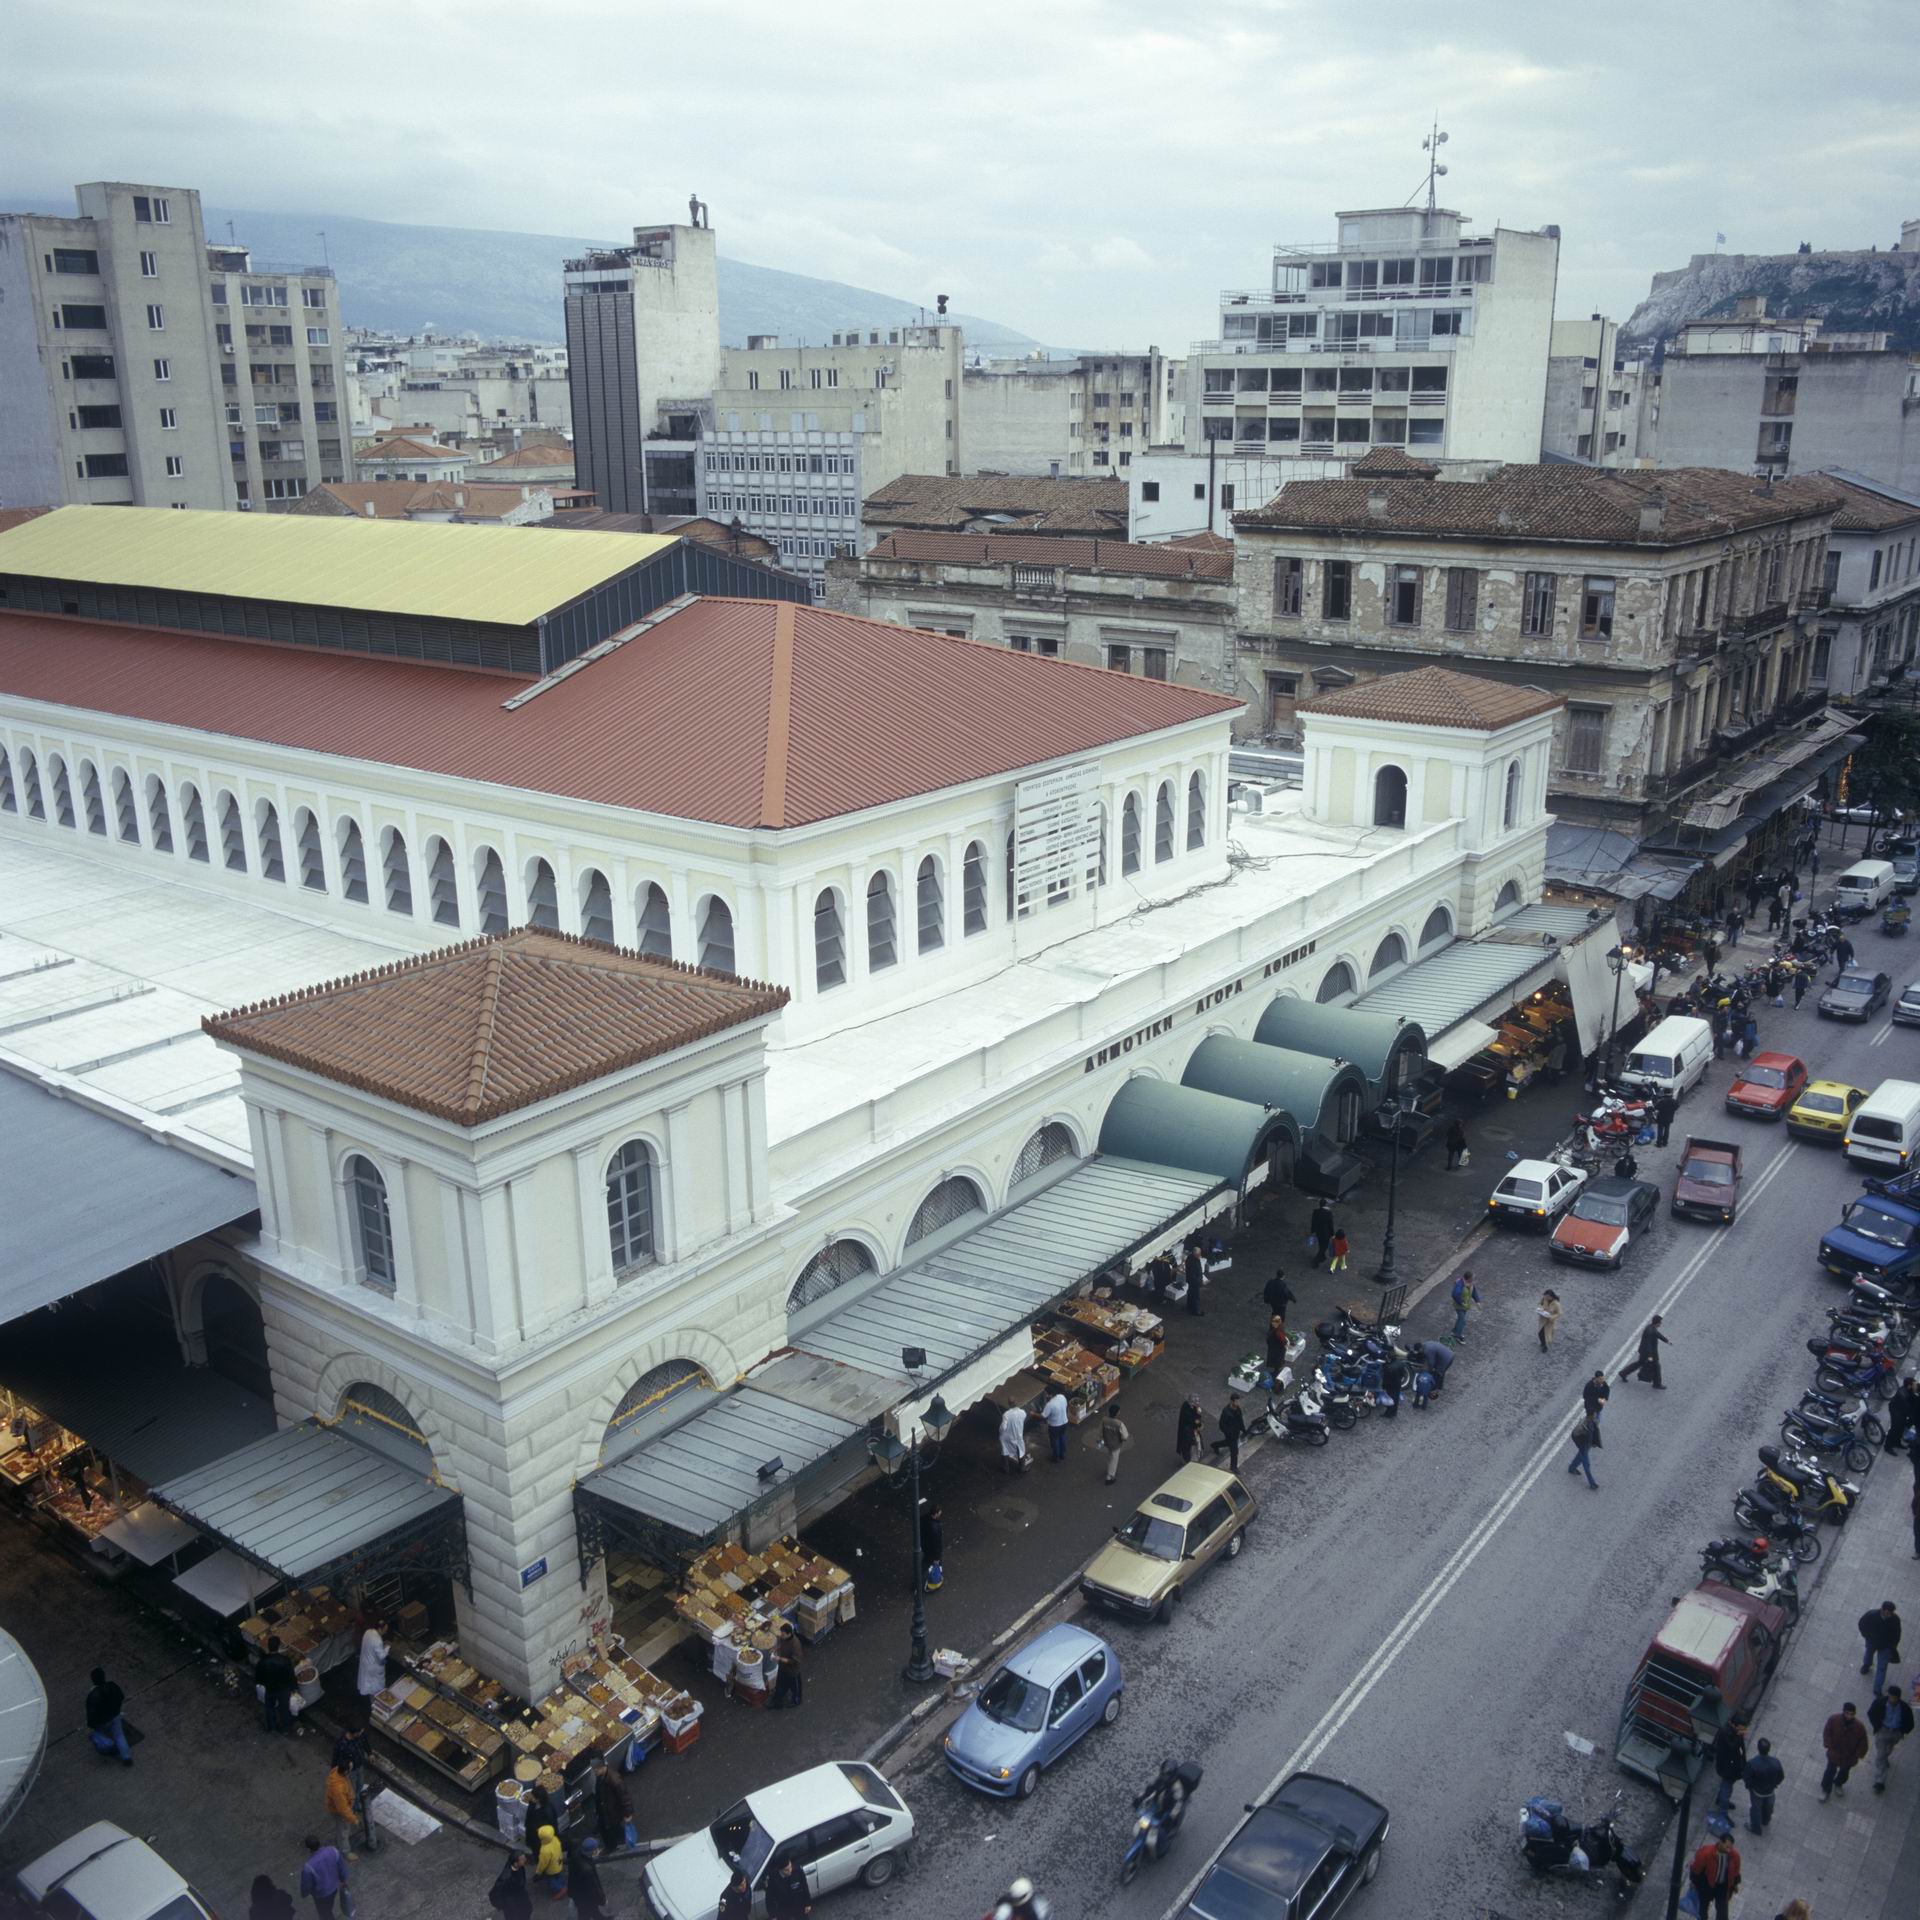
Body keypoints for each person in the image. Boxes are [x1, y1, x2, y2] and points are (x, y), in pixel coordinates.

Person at [84, 1666, 133, 1767]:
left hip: (102, 1721)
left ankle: (108, 1744)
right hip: (115, 1715)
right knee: (119, 1735)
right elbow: (121, 1696)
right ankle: (126, 1757)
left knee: (97, 1734)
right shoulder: (112, 1686)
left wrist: (92, 1724)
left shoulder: (93, 1695)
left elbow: (91, 1712)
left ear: (93, 1680)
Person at [1820, 1701, 1870, 1798]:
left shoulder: (1859, 1727)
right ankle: (1826, 1789)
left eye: (1852, 1714)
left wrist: (1857, 1755)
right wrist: (1829, 1745)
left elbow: (1863, 1743)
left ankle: (1838, 1784)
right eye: (1847, 1713)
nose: (1849, 1716)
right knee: (1829, 1772)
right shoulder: (1834, 1719)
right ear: (1843, 1712)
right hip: (1834, 1753)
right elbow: (1827, 1732)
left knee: (1844, 1773)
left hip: (1849, 1756)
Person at [1687, 1830, 1741, 1920]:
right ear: (1720, 1842)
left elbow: (1736, 1872)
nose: (1729, 1850)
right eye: (1727, 1847)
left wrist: (1734, 1884)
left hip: (1723, 1887)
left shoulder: (1734, 1856)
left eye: (1731, 1847)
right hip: (1707, 1885)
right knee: (1702, 1909)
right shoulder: (1706, 1853)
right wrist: (1695, 1882)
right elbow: (1696, 1869)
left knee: (1723, 1913)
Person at [1870, 1684, 1914, 1790]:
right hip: (1883, 1731)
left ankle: (1885, 1758)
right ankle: (1880, 1781)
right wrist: (1877, 1727)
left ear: (1898, 1698)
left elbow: (1910, 1723)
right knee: (1880, 1755)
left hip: (1895, 1733)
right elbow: (1871, 1713)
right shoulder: (1880, 1703)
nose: (1891, 1700)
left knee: (1888, 1750)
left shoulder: (1904, 1708)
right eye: (1890, 1697)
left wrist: (1901, 1732)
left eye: (1894, 1698)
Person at [256, 1634, 298, 1735]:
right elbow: (291, 1675)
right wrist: (294, 1688)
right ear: (279, 1647)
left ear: (268, 1647)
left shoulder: (263, 1662)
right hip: (284, 1689)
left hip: (270, 1689)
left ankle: (272, 1727)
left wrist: (263, 1683)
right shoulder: (285, 1661)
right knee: (284, 1709)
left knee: (269, 1708)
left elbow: (258, 1677)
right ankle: (285, 1729)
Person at [1858, 1601, 1902, 1696]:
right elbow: (1862, 1625)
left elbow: (1897, 1634)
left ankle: (1877, 1689)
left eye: (1890, 1613)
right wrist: (1867, 1636)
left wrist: (1892, 1646)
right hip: (1872, 1642)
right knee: (1868, 1655)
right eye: (1886, 1612)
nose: (1888, 1615)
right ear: (1882, 1609)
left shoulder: (1895, 1620)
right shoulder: (1872, 1615)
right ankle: (1867, 1665)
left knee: (1882, 1668)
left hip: (1885, 1647)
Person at [299, 1837, 349, 1920]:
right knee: (328, 1907)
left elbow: (306, 1884)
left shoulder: (308, 1866)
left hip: (321, 1894)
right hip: (334, 1887)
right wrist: (344, 1880)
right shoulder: (333, 1851)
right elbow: (342, 1867)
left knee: (325, 1912)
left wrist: (304, 1894)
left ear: (308, 1849)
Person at [1743, 1737, 1784, 1834]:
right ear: (1769, 1749)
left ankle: (1756, 1828)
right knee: (1768, 1806)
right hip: (1770, 1791)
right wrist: (1774, 1784)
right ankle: (1765, 1820)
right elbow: (1781, 1776)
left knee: (1756, 1809)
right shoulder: (1776, 1762)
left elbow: (1747, 1777)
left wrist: (1749, 1787)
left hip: (1757, 1791)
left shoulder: (1752, 1763)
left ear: (1758, 1748)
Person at [1619, 1314, 1670, 1388]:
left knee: (1639, 1363)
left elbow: (1657, 1334)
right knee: (1656, 1366)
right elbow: (1648, 1344)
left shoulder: (1650, 1327)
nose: (1661, 1324)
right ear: (1657, 1323)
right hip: (1649, 1353)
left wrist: (1666, 1341)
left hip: (1644, 1351)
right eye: (1660, 1322)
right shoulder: (1650, 1331)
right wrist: (1650, 1356)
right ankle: (1657, 1384)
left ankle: (1623, 1373)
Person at [1711, 1716, 1749, 1814]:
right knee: (1726, 1788)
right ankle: (1722, 1811)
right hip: (1728, 1768)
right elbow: (1732, 1747)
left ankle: (1720, 1800)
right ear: (1734, 1725)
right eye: (1741, 1729)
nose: (1744, 1731)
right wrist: (1739, 1736)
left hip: (1734, 1765)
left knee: (1727, 1785)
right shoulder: (1726, 1734)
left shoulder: (1734, 1732)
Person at [593, 1755, 632, 1852]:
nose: (594, 1772)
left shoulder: (614, 1780)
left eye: (596, 1769)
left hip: (612, 1811)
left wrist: (628, 1814)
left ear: (602, 1767)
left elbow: (625, 1797)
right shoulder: (601, 1777)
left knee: (611, 1828)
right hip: (606, 1808)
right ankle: (619, 1839)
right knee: (610, 1827)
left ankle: (612, 1846)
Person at [355, 1617, 388, 1725]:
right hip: (374, 1668)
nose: (387, 1629)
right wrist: (388, 1648)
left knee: (370, 1688)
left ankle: (374, 1706)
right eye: (386, 1627)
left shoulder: (368, 1632)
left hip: (366, 1664)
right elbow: (382, 1656)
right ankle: (378, 1713)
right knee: (377, 1690)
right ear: (382, 1628)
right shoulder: (377, 1641)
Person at [324, 1758, 358, 1861]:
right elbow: (343, 1809)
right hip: (340, 1811)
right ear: (346, 1771)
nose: (352, 1764)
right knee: (343, 1830)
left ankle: (341, 1843)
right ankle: (345, 1851)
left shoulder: (337, 1772)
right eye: (350, 1765)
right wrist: (353, 1819)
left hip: (342, 1805)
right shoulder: (338, 1789)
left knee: (342, 1829)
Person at [566, 1846, 608, 1920]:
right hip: (585, 1896)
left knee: (592, 1909)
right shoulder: (587, 1869)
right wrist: (603, 1900)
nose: (598, 1851)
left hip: (577, 1892)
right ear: (592, 1852)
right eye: (596, 1850)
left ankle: (599, 1917)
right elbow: (595, 1887)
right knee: (585, 1914)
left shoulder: (577, 1857)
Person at [765, 1854, 812, 1920]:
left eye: (790, 1867)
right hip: (784, 1910)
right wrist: (773, 1916)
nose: (790, 1870)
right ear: (780, 1870)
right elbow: (769, 1899)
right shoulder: (773, 1879)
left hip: (799, 1905)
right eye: (786, 1870)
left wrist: (808, 1903)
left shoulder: (798, 1871)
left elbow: (805, 1887)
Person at [769, 1622, 803, 1711]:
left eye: (783, 1634)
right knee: (780, 1684)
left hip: (792, 1671)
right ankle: (778, 1702)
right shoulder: (783, 1637)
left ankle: (796, 1700)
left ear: (789, 1634)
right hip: (783, 1668)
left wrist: (779, 1659)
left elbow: (794, 1661)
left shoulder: (796, 1645)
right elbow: (780, 1644)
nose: (781, 1635)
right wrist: (775, 1649)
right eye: (781, 1633)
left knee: (795, 1688)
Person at [489, 1855, 532, 1920]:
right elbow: (494, 1893)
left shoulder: (521, 1867)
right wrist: (502, 1905)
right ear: (515, 1863)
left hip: (521, 1899)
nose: (525, 1860)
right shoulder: (506, 1877)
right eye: (522, 1859)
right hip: (512, 1904)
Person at [1884, 1374, 1918, 1454]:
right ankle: (1887, 1446)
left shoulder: (1908, 1390)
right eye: (1914, 1385)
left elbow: (1913, 1398)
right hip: (1896, 1411)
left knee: (1901, 1427)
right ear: (1909, 1386)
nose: (1916, 1386)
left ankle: (1896, 1442)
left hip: (1901, 1410)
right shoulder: (1903, 1395)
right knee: (1895, 1428)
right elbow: (1908, 1408)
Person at [532, 1822, 567, 1899]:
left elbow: (543, 1863)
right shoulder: (555, 1839)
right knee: (559, 1875)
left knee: (552, 1880)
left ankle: (560, 1889)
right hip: (559, 1862)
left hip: (552, 1868)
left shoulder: (545, 1850)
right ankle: (562, 1884)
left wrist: (538, 1872)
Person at [1211, 1394, 1246, 1472]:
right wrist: (1229, 1433)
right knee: (1234, 1450)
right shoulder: (1226, 1412)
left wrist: (1243, 1429)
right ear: (1231, 1401)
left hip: (1236, 1432)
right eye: (1236, 1401)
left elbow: (1240, 1420)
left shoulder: (1238, 1409)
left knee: (1227, 1443)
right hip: (1231, 1434)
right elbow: (1222, 1425)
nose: (1238, 1403)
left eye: (1238, 1401)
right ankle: (1233, 1467)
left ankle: (1214, 1445)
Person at [1567, 1411, 1600, 1489]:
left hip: (1586, 1445)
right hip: (1584, 1446)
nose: (1596, 1417)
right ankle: (1592, 1484)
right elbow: (1575, 1435)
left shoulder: (1592, 1423)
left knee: (1579, 1457)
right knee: (1586, 1465)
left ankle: (1572, 1468)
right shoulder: (1582, 1428)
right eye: (1595, 1416)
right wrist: (1582, 1447)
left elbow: (1594, 1432)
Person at [1100, 1402, 1131, 1484]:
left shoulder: (1104, 1420)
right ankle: (1110, 1477)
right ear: (1117, 1413)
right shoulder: (1119, 1424)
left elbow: (1100, 1431)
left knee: (1110, 1457)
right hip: (1116, 1444)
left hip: (1107, 1442)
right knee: (1114, 1459)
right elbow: (1125, 1436)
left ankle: (1108, 1469)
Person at [1449, 1270, 1481, 1344]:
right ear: (1468, 1278)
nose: (1473, 1279)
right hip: (1459, 1306)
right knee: (1462, 1321)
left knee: (1460, 1319)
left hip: (1465, 1306)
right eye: (1472, 1278)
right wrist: (1461, 1302)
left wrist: (1477, 1301)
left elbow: (1473, 1291)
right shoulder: (1459, 1284)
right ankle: (1458, 1336)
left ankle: (1454, 1331)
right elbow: (1454, 1294)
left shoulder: (1470, 1283)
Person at [998, 1402, 1029, 1475]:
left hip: (1007, 1437)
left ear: (1009, 1404)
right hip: (1018, 1435)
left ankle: (1006, 1469)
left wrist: (1000, 1431)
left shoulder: (1006, 1414)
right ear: (1016, 1403)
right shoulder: (1023, 1412)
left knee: (1005, 1451)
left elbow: (1003, 1427)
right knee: (1021, 1451)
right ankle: (1022, 1468)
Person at [1041, 1388, 1070, 1463]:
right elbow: (1066, 1406)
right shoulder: (1062, 1397)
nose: (1046, 1396)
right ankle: (1062, 1454)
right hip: (1064, 1422)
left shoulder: (1050, 1404)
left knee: (1055, 1441)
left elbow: (1043, 1416)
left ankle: (1055, 1457)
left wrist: (1033, 1414)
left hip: (1054, 1426)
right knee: (1062, 1437)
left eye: (1046, 1394)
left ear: (1050, 1395)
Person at [1379, 1349, 1408, 1420]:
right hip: (1398, 1383)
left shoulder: (1388, 1367)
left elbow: (1385, 1378)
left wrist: (1383, 1386)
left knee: (1390, 1399)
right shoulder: (1401, 1363)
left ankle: (1388, 1413)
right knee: (1396, 1398)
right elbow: (1403, 1373)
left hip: (1390, 1385)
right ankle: (1394, 1412)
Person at [921, 1502, 944, 1590]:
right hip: (932, 1551)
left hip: (925, 1546)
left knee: (926, 1563)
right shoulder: (935, 1527)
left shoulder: (923, 1519)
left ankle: (918, 1581)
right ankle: (934, 1579)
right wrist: (937, 1557)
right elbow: (937, 1543)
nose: (940, 1515)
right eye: (939, 1513)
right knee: (931, 1564)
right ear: (935, 1514)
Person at [1175, 1394, 1203, 1463]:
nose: (1198, 1404)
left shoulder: (1187, 1406)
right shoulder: (1188, 1411)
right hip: (1188, 1432)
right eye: (1197, 1403)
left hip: (1189, 1431)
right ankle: (1187, 1462)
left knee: (1190, 1446)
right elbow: (1196, 1422)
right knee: (1187, 1447)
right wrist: (1198, 1414)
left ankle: (1187, 1459)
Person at [1308, 1200, 1335, 1266]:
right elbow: (1330, 1225)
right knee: (1324, 1247)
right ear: (1325, 1204)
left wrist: (1313, 1231)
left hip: (1318, 1232)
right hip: (1326, 1233)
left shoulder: (1316, 1211)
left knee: (1321, 1245)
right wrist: (1332, 1234)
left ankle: (1322, 1257)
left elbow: (1313, 1222)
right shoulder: (1329, 1213)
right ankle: (1316, 1260)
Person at [1265, 1314, 1290, 1382]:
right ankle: (1276, 1371)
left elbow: (1283, 1340)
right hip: (1276, 1348)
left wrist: (1285, 1346)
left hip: (1277, 1349)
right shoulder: (1279, 1328)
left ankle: (1276, 1373)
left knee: (1276, 1361)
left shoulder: (1278, 1332)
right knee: (1277, 1361)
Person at [1183, 1240, 1205, 1317]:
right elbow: (1194, 1273)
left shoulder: (1190, 1258)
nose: (1200, 1255)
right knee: (1196, 1296)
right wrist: (1199, 1282)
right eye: (1199, 1254)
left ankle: (1189, 1306)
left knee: (1191, 1293)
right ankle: (1196, 1311)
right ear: (1196, 1254)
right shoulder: (1193, 1261)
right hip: (1194, 1282)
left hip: (1191, 1280)